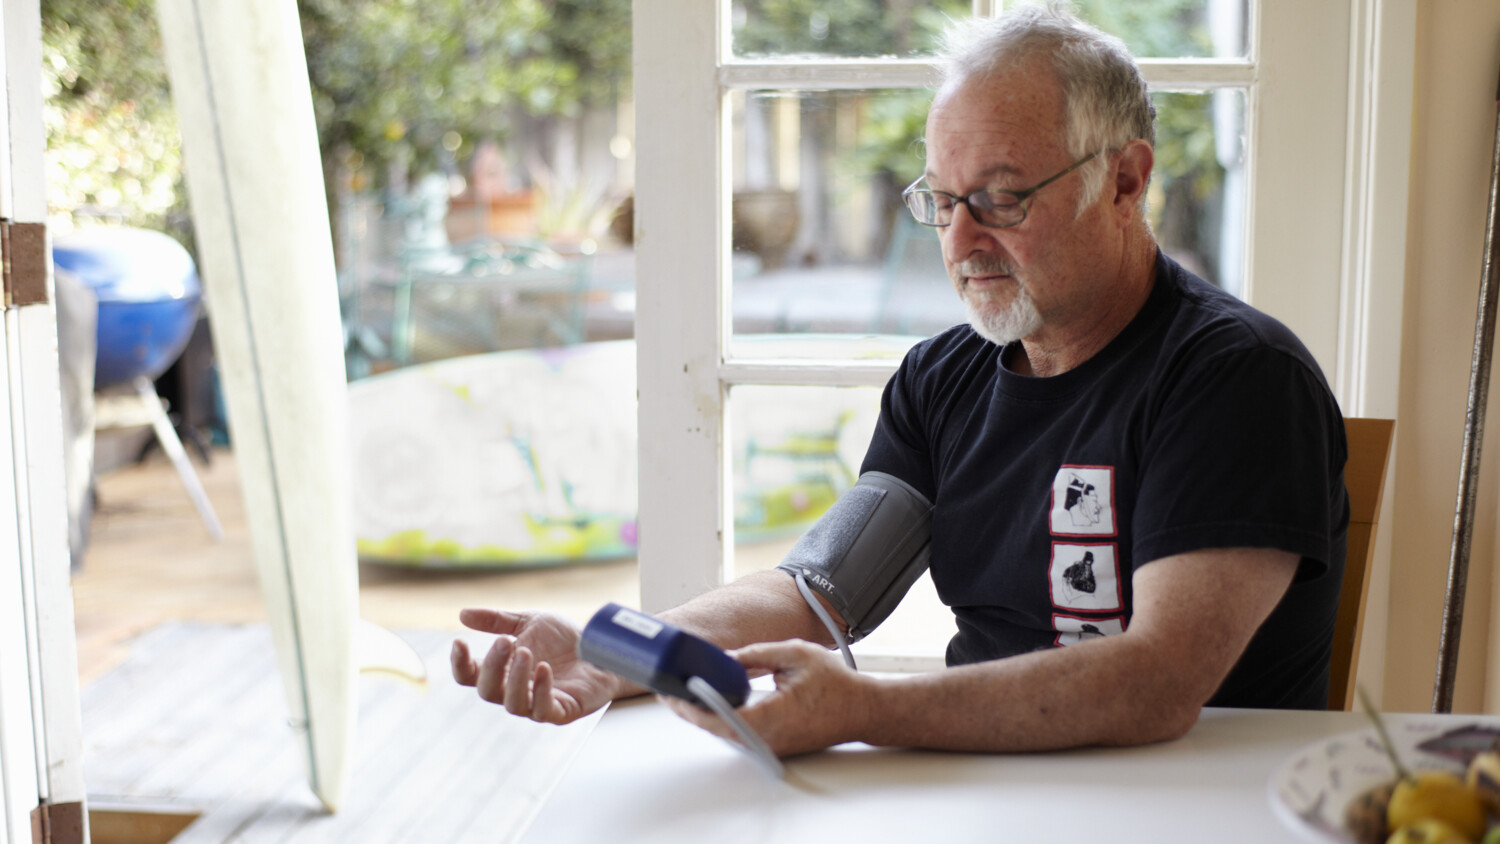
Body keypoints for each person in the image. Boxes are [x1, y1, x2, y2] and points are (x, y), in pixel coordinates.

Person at [451, 3, 1347, 757]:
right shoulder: (941, 379)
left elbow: (1158, 684)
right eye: (943, 202)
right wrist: (620, 651)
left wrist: (868, 710)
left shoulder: (1235, 381)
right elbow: (817, 592)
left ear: (1125, 179)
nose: (960, 242)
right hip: (992, 793)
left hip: (1201, 808)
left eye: (1001, 197)